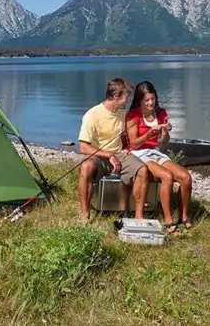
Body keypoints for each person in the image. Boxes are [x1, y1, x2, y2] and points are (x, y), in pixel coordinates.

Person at [77, 78, 150, 223]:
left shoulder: (122, 114)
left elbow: (125, 136)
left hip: (119, 154)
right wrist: (108, 155)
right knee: (86, 167)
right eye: (126, 97)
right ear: (116, 97)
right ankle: (85, 213)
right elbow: (83, 147)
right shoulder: (92, 115)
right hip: (98, 154)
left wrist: (126, 148)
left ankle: (138, 216)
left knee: (143, 170)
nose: (127, 101)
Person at [125, 81, 193, 234]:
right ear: (139, 100)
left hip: (155, 152)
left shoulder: (161, 113)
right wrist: (149, 134)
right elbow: (133, 143)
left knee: (186, 177)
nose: (150, 103)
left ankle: (184, 216)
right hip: (139, 154)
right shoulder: (133, 115)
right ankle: (169, 221)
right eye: (146, 100)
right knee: (166, 176)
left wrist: (164, 132)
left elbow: (164, 142)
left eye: (153, 99)